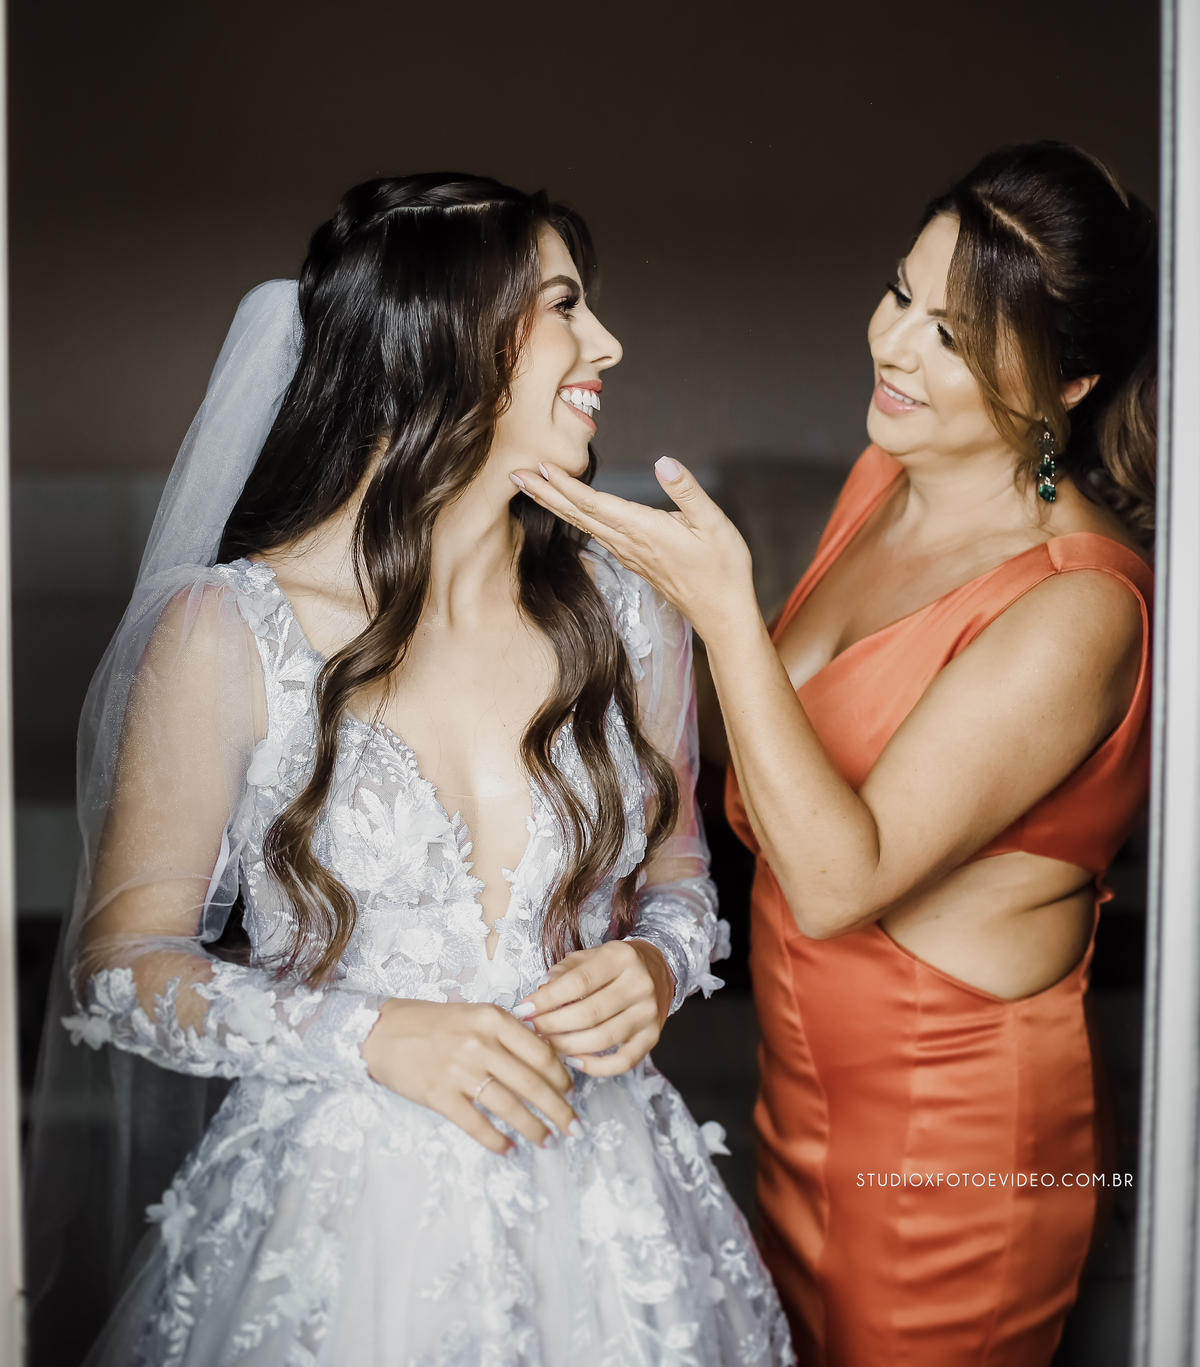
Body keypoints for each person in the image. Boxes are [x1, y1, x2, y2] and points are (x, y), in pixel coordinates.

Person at [25, 175, 794, 1366]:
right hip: (344, 1224)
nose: (606, 344)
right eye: (565, 306)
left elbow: (682, 869)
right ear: (448, 336)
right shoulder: (230, 635)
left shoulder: (632, 613)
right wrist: (373, 1035)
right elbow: (121, 966)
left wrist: (656, 961)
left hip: (605, 1212)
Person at [511, 141, 1156, 1366]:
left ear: (1070, 383)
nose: (896, 346)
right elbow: (768, 760)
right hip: (805, 1102)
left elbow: (833, 880)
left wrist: (721, 608)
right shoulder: (883, 477)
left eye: (955, 336)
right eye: (902, 292)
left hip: (955, 1143)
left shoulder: (1080, 607)